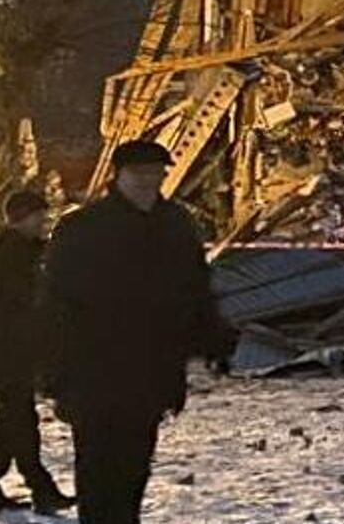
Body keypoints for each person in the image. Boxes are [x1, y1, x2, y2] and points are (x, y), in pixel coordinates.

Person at [44, 140, 233, 524]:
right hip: (94, 371)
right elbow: (53, 306)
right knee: (98, 474)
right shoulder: (83, 229)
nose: (149, 181)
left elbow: (196, 289)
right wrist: (53, 373)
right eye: (140, 174)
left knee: (134, 468)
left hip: (151, 369)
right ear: (119, 176)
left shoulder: (175, 225)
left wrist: (214, 340)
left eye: (156, 173)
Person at [0, 190, 74, 514]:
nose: (43, 223)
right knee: (21, 421)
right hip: (11, 351)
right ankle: (40, 487)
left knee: (10, 419)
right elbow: (20, 308)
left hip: (10, 351)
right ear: (20, 218)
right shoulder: (9, 256)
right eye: (38, 217)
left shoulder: (16, 252)